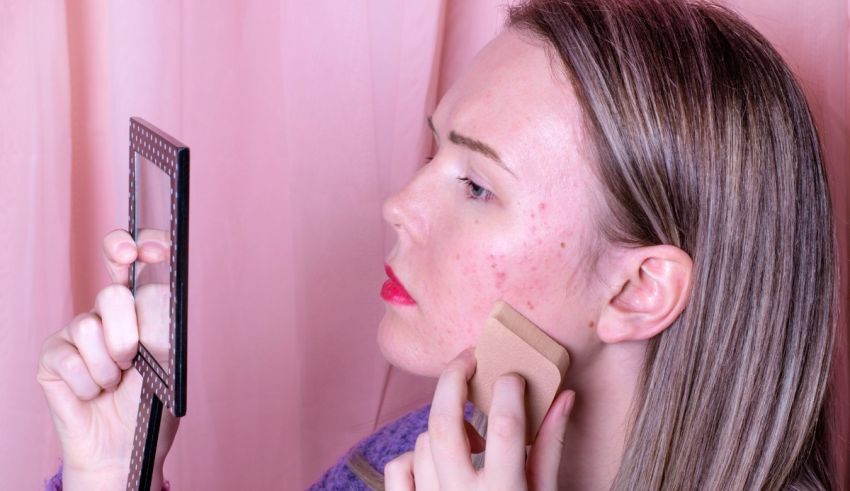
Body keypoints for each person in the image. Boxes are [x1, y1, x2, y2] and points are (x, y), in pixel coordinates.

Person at [39, 0, 837, 489]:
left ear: (637, 290)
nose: (399, 204)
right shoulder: (401, 461)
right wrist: (110, 474)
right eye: (435, 154)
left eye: (478, 185)